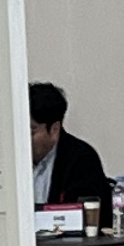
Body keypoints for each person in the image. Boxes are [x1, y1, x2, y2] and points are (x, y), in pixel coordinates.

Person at [29, 81, 112, 217]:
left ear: (54, 129)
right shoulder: (9, 158)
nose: (23, 138)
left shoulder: (81, 159)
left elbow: (85, 218)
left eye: (32, 131)